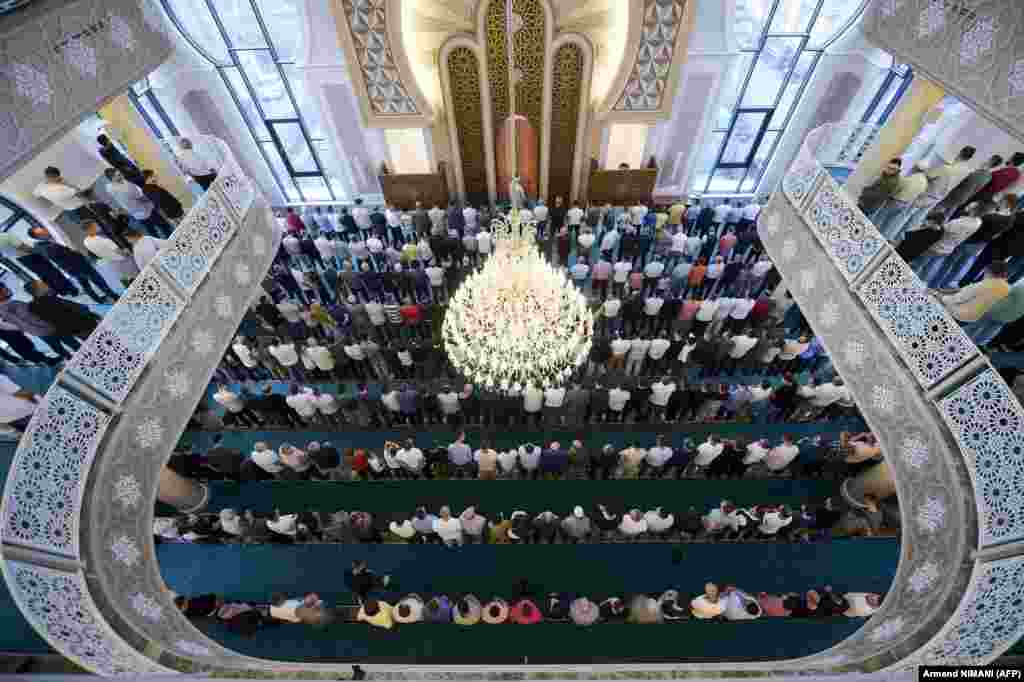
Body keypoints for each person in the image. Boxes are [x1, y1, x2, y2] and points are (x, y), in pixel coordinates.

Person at [29, 227, 120, 303]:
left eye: (43, 229)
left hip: (72, 269)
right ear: (38, 236)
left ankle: (97, 299)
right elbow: (65, 256)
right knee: (98, 280)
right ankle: (114, 296)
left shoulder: (42, 245)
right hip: (79, 266)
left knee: (85, 284)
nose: (45, 231)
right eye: (42, 232)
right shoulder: (47, 247)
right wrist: (76, 254)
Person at [936, 260, 1010, 323]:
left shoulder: (983, 285)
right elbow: (965, 290)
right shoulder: (1007, 288)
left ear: (989, 271)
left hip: (959, 314)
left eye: (985, 272)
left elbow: (957, 298)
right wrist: (945, 291)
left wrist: (938, 295)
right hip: (975, 318)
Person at [24, 280, 101, 339]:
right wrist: (92, 314)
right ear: (38, 289)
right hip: (84, 324)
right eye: (42, 285)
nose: (45, 285)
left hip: (72, 330)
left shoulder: (33, 306)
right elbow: (78, 308)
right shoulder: (50, 299)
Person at [105, 170, 171, 237]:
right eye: (118, 175)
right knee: (165, 226)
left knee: (152, 231)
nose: (121, 176)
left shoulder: (109, 187)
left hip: (136, 214)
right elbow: (141, 198)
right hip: (146, 210)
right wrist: (152, 199)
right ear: (112, 178)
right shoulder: (126, 188)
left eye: (120, 174)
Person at [83, 222, 138, 287]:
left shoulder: (86, 241)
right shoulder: (103, 240)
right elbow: (118, 251)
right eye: (96, 225)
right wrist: (128, 254)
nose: (98, 226)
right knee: (136, 276)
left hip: (111, 262)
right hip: (122, 260)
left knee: (124, 278)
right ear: (90, 229)